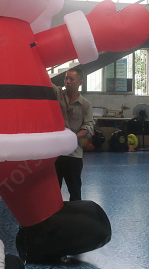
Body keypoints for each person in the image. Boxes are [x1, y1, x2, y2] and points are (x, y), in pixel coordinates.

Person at [53, 67, 94, 201]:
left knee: (75, 191)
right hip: (55, 154)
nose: (68, 82)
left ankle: (76, 213)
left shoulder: (85, 105)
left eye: (71, 79)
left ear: (80, 82)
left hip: (73, 155)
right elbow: (45, 82)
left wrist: (72, 138)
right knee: (53, 191)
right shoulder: (57, 94)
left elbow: (88, 128)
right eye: (66, 78)